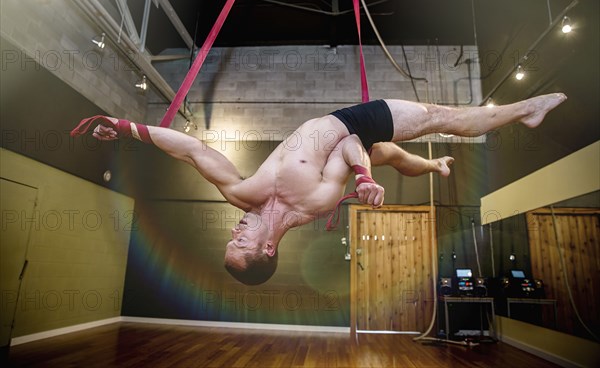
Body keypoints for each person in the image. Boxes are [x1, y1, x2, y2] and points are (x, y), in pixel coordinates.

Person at [71, 93, 567, 285]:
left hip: (348, 136)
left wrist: (126, 126)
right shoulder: (316, 202)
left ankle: (434, 166)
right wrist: (365, 176)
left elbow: (193, 150)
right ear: (267, 248)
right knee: (445, 120)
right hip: (353, 123)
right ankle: (528, 109)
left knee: (395, 155)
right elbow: (353, 141)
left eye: (230, 238)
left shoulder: (241, 193)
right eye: (240, 242)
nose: (235, 230)